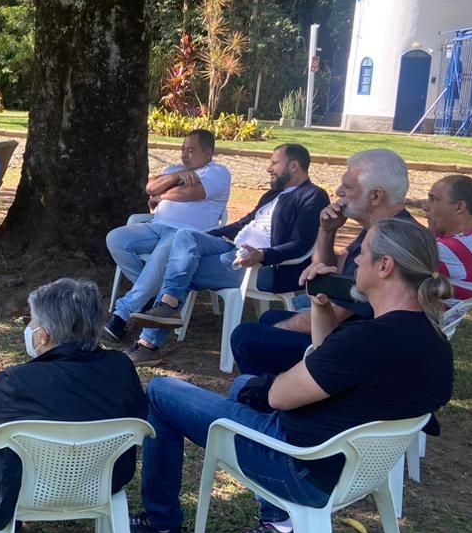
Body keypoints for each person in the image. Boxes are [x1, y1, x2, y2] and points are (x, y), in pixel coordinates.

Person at [129, 218, 454, 533]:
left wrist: (272, 384)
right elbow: (336, 365)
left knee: (162, 391)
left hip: (298, 468)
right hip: (354, 470)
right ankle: (279, 525)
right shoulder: (433, 341)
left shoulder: (366, 340)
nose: (355, 260)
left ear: (385, 266)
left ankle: (161, 529)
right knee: (242, 386)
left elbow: (280, 397)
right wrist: (320, 305)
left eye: (364, 253)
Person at [0, 278, 147, 530]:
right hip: (102, 480)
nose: (28, 327)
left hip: (26, 486)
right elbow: (140, 416)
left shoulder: (16, 382)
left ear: (43, 336)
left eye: (30, 321)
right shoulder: (121, 369)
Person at [119, 144, 330, 367]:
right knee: (184, 237)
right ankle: (167, 307)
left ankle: (149, 342)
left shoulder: (313, 196)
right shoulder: (273, 194)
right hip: (231, 247)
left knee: (183, 268)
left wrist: (263, 256)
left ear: (294, 165)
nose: (269, 169)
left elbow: (301, 245)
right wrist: (204, 236)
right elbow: (243, 223)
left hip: (261, 268)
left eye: (274, 163)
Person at [229, 149, 417, 378]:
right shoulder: (383, 228)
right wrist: (327, 231)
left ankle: (272, 401)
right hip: (349, 333)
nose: (338, 192)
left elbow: (337, 314)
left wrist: (279, 329)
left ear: (375, 196)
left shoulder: (389, 242)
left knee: (245, 337)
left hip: (353, 351)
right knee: (268, 319)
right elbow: (328, 275)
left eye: (347, 187)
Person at [104, 130, 232, 339]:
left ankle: (122, 315)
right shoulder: (174, 169)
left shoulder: (218, 172)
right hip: (155, 227)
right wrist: (175, 176)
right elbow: (150, 188)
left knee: (163, 252)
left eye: (191, 150)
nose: (185, 154)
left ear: (208, 153)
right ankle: (150, 295)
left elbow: (190, 194)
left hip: (187, 235)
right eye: (183, 149)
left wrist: (161, 195)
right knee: (116, 239)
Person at [424, 174, 472, 305]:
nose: (425, 206)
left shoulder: (452, 250)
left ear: (459, 207)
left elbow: (390, 264)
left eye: (434, 199)